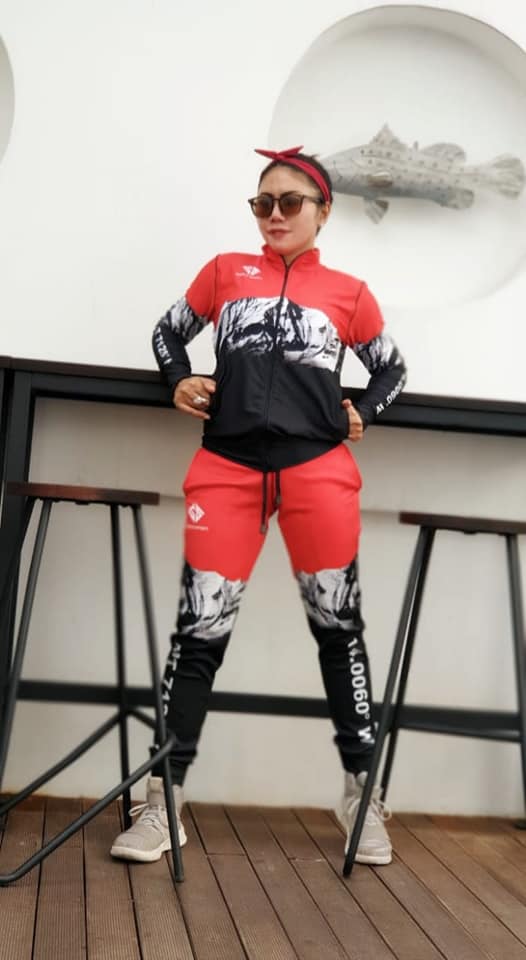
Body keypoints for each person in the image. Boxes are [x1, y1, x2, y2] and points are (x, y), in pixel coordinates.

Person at [110, 145, 407, 865]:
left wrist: (364, 410)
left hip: (317, 470)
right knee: (199, 631)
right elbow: (167, 332)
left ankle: (361, 796)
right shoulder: (224, 273)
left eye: (289, 203)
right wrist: (179, 380)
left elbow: (392, 369)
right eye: (262, 203)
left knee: (339, 628)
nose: (274, 215)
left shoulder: (350, 293)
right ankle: (164, 799)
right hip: (227, 467)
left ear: (322, 212)